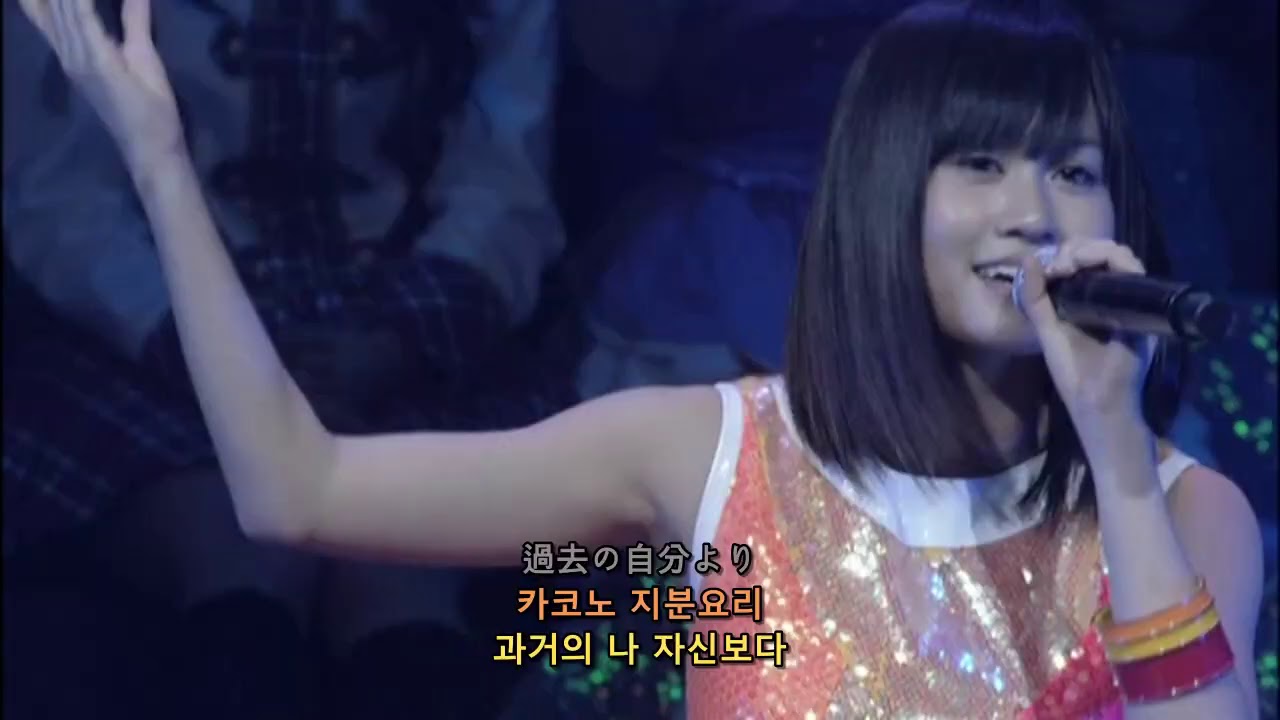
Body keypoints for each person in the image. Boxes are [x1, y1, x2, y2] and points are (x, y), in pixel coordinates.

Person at [19, 0, 1263, 717]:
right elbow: (295, 490)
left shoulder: (1185, 510)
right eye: (980, 165)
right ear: (886, 196)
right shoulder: (715, 449)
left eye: (1073, 170)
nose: (1033, 213)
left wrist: (1112, 446)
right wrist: (158, 161)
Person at [4, 0, 571, 717]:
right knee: (238, 550)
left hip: (403, 329)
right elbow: (62, 198)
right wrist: (206, 347)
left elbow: (505, 182)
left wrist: (401, 335)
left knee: (395, 566)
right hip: (155, 331)